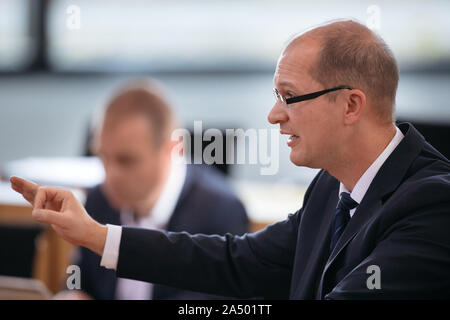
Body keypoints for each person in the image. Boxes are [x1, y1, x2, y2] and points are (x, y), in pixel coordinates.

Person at [11, 20, 450, 299]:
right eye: (276, 96)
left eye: (290, 98)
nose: (274, 115)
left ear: (351, 106)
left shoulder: (432, 207)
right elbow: (237, 261)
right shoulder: (331, 187)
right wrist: (96, 235)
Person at [51, 83, 249, 300]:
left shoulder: (220, 212)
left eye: (126, 160)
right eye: (103, 156)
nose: (110, 175)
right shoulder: (98, 199)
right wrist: (73, 294)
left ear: (172, 149)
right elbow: (79, 279)